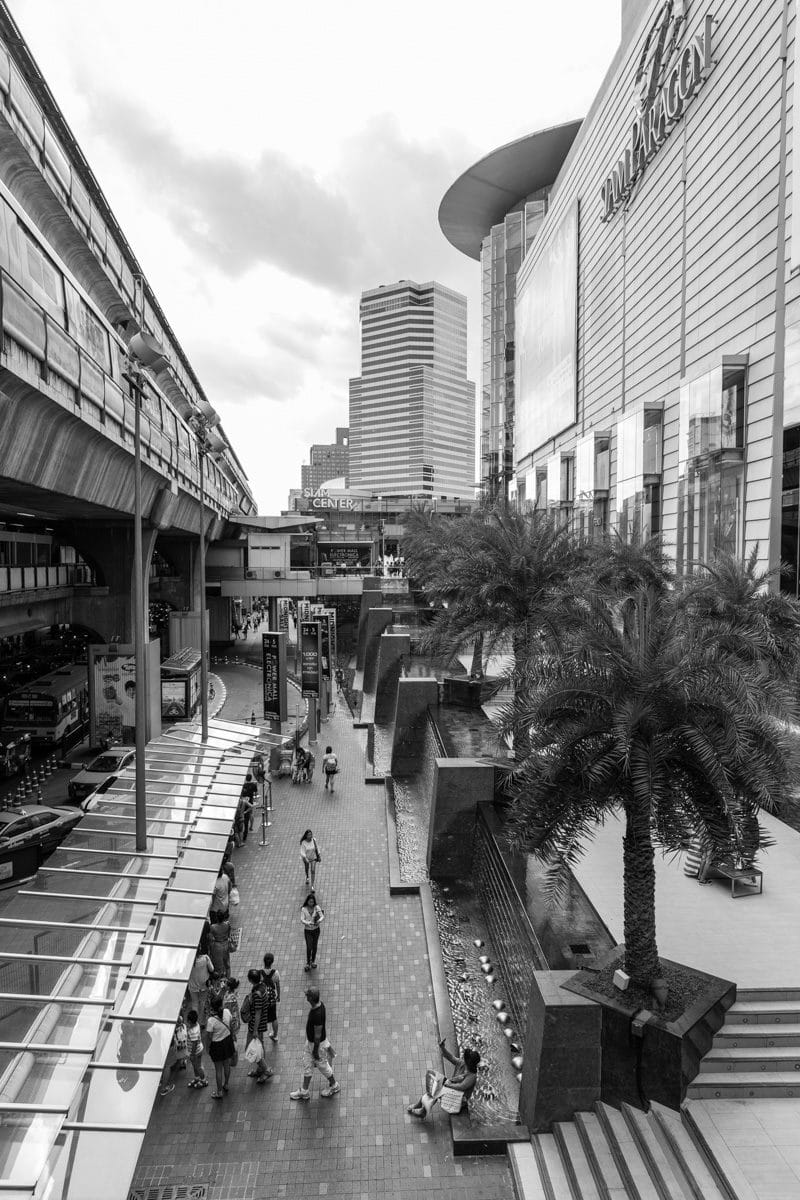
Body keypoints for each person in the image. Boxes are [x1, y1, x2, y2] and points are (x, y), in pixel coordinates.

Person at [407, 1039, 480, 1119]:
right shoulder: (462, 1063)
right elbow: (451, 1058)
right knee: (434, 1087)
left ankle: (421, 1110)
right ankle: (420, 1107)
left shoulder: (472, 1076)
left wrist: (449, 1085)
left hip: (459, 1099)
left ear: (468, 1062)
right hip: (452, 1088)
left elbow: (461, 1087)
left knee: (437, 1090)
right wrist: (443, 1048)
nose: (462, 1057)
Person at [290, 986, 340, 1100]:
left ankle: (334, 1086)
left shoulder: (317, 1014)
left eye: (307, 995)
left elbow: (318, 1034)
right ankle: (304, 1091)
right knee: (307, 1064)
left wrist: (315, 1050)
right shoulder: (319, 1005)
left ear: (311, 998)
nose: (305, 996)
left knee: (323, 1066)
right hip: (311, 1043)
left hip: (317, 1045)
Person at [240, 968, 273, 1083]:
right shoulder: (262, 986)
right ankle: (260, 1069)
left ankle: (266, 1070)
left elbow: (258, 1012)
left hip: (256, 1025)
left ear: (250, 980)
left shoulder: (257, 994)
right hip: (261, 1023)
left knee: (251, 1048)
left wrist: (254, 1030)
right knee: (259, 1046)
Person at [206, 995, 235, 1098]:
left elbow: (209, 1037)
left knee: (218, 1069)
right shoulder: (227, 1012)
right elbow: (231, 1026)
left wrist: (207, 1048)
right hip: (227, 1042)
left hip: (217, 1045)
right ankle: (226, 1084)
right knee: (226, 1064)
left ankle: (219, 1092)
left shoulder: (211, 1021)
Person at [188, 947, 214, 1027]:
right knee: (202, 1003)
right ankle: (202, 1022)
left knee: (195, 1003)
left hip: (193, 986)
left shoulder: (189, 960)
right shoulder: (205, 958)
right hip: (204, 985)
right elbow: (212, 969)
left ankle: (195, 1023)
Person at [301, 892, 325, 972]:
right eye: (310, 901)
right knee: (309, 947)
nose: (311, 903)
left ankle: (313, 961)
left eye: (312, 902)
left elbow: (322, 916)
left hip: (316, 930)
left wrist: (319, 921)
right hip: (308, 930)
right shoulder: (304, 909)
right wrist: (308, 923)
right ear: (307, 901)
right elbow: (302, 919)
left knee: (314, 946)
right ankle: (308, 963)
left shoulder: (317, 907)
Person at [186, 1009, 208, 1089]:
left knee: (198, 1067)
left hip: (195, 1052)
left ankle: (203, 1080)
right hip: (198, 1049)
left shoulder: (193, 1031)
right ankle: (197, 1078)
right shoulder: (197, 1024)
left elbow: (194, 1043)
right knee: (195, 1066)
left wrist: (192, 1054)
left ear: (189, 1021)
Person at [261, 952, 281, 1042]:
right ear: (272, 962)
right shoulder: (275, 973)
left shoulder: (260, 973)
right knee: (274, 1018)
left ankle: (260, 1036)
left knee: (261, 1016)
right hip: (272, 999)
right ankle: (275, 1035)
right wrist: (278, 996)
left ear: (264, 961)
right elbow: (278, 985)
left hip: (263, 999)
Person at [222, 977, 241, 1066]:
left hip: (231, 1021)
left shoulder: (229, 998)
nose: (224, 984)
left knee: (231, 1037)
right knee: (232, 1037)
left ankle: (233, 1057)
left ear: (229, 987)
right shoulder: (231, 994)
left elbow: (227, 1010)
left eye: (226, 983)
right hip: (233, 1020)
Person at [208, 911, 231, 978]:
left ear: (217, 918)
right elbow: (229, 933)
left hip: (217, 946)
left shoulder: (213, 927)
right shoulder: (227, 925)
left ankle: (220, 979)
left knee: (218, 965)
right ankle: (228, 978)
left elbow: (210, 937)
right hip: (226, 944)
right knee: (227, 964)